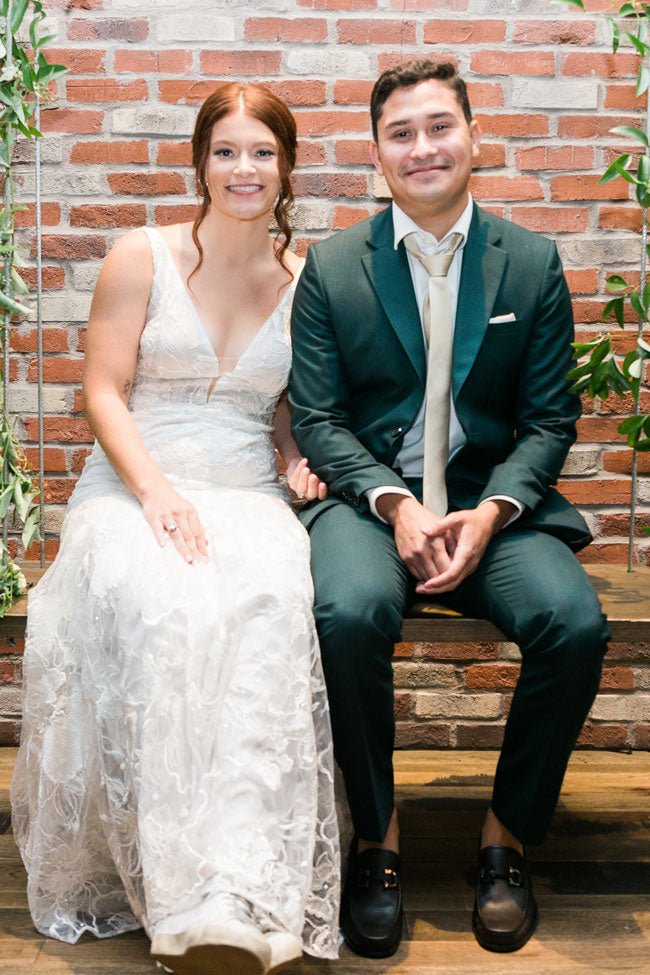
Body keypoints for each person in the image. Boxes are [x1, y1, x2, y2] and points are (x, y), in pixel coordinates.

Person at [11, 82, 340, 975]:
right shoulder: (141, 255)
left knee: (272, 604)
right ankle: (181, 889)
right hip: (133, 482)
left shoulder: (310, 276)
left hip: (246, 491)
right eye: (226, 151)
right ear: (199, 161)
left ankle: (246, 890)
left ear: (287, 166)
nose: (244, 169)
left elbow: (277, 408)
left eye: (262, 152)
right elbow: (102, 390)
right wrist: (153, 490)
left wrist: (291, 458)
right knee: (169, 606)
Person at [289, 59, 609, 957]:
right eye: (401, 132)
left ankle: (505, 839)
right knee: (345, 610)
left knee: (574, 621)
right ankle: (377, 841)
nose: (422, 147)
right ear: (377, 152)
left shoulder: (532, 263)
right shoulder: (333, 266)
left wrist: (494, 510)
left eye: (439, 126)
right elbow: (317, 417)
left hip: (490, 507)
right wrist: (392, 504)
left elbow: (550, 420)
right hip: (370, 508)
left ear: (474, 136)